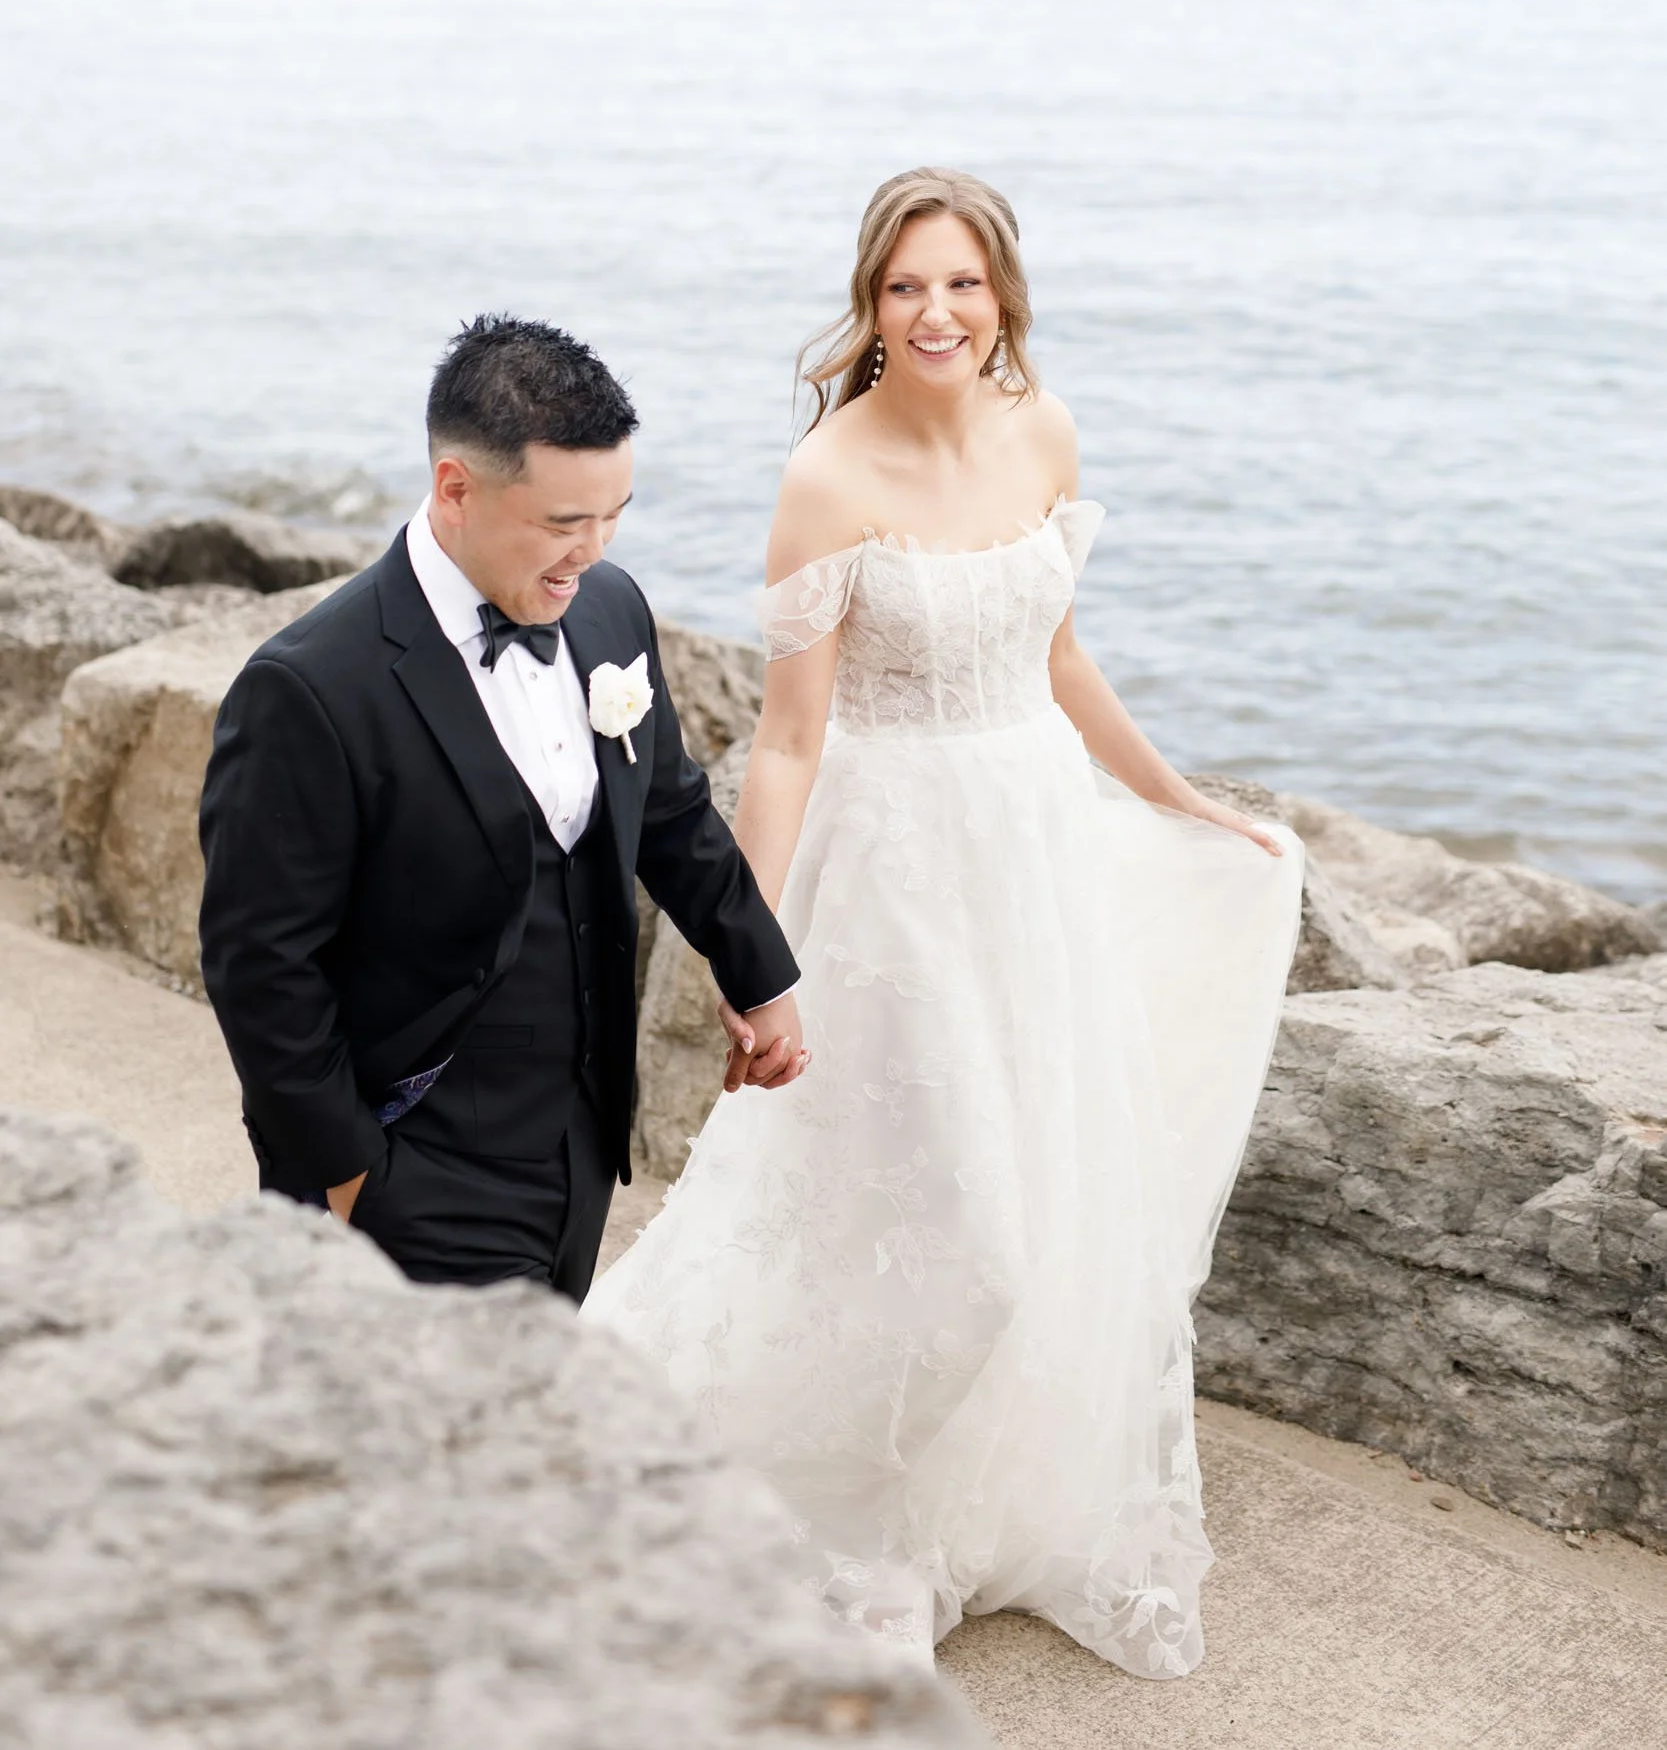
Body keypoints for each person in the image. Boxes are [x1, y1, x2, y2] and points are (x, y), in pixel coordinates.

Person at [586, 168, 1303, 1675]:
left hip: (1031, 854)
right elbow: (785, 743)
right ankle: (844, 1529)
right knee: (954, 1231)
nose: (935, 313)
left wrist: (1176, 799)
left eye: (961, 284)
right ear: (869, 303)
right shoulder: (826, 481)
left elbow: (1055, 657)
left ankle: (945, 1514)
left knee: (1034, 1208)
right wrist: (749, 948)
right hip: (894, 874)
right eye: (906, 286)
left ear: (1002, 298)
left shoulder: (1040, 432)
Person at [198, 314, 807, 1298]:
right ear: (455, 489)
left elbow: (669, 811)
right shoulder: (309, 689)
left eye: (614, 514)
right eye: (564, 523)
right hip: (411, 1156)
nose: (592, 551)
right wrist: (351, 1176)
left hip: (577, 1141)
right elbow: (260, 969)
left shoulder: (607, 607)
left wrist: (757, 971)